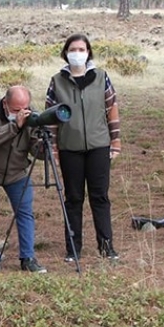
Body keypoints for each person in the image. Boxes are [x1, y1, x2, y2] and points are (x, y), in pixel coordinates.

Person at [45, 33, 121, 263]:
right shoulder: (57, 81)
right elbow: (50, 117)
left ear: (88, 53)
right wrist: (54, 150)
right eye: (73, 49)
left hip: (99, 145)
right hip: (70, 148)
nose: (77, 53)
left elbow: (112, 109)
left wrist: (115, 141)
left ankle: (106, 245)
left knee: (100, 196)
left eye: (82, 49)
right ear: (66, 53)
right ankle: (73, 248)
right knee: (73, 198)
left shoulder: (101, 77)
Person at [0, 86, 47, 273]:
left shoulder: (32, 115)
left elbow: (35, 150)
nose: (21, 113)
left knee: (25, 213)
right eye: (15, 110)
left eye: (25, 108)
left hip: (16, 173)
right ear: (5, 103)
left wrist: (43, 145)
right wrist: (15, 126)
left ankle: (28, 258)